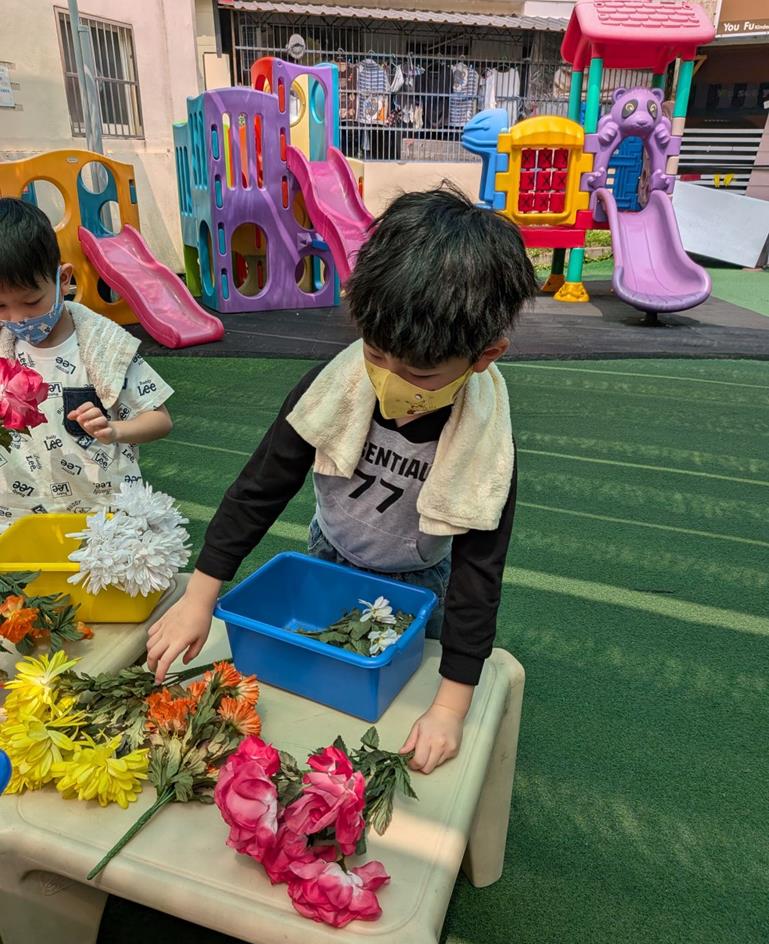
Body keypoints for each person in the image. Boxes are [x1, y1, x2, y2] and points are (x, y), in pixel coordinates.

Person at [148, 185, 536, 774]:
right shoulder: (329, 389)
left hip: (421, 579)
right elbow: (258, 490)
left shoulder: (486, 445)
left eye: (420, 374)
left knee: (397, 687)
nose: (389, 380)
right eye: (376, 354)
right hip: (331, 550)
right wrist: (200, 598)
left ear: (485, 354)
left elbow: (478, 575)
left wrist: (448, 709)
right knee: (323, 684)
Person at [0, 199, 173, 525]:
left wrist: (114, 430)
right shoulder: (3, 347)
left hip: (101, 513)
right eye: (0, 307)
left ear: (63, 279)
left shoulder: (105, 347)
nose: (17, 317)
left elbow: (160, 420)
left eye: (31, 302)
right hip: (23, 514)